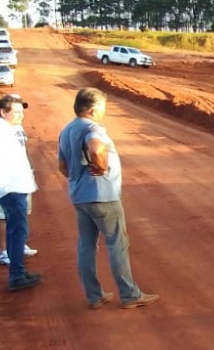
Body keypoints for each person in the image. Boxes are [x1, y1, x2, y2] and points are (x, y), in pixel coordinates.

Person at [57, 87, 160, 309]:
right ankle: (130, 294)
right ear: (93, 110)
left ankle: (94, 296)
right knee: (117, 244)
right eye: (103, 107)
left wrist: (78, 177)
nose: (104, 111)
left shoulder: (67, 130)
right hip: (102, 196)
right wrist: (101, 167)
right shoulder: (93, 127)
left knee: (86, 245)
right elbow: (96, 148)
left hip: (79, 196)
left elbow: (62, 166)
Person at [0, 94, 42, 291]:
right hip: (10, 189)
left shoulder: (8, 129)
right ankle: (16, 276)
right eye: (16, 112)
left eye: (22, 112)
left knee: (17, 231)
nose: (21, 115)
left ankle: (18, 271)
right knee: (17, 232)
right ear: (3, 112)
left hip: (16, 187)